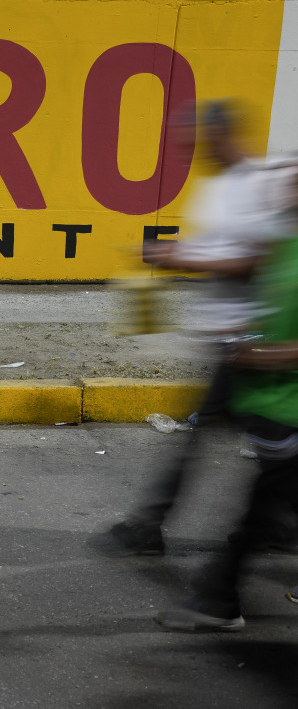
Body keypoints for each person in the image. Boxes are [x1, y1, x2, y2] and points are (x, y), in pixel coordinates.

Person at [98, 100, 298, 556]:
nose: (192, 151)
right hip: (226, 339)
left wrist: (180, 259)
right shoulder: (218, 187)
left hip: (249, 339)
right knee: (261, 440)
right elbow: (217, 245)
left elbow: (258, 262)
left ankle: (151, 528)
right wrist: (176, 251)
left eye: (198, 141)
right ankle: (274, 523)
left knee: (213, 438)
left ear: (221, 135)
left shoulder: (264, 184)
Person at [156, 196, 298, 631]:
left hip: (286, 407)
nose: (287, 193)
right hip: (271, 403)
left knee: (262, 509)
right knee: (269, 505)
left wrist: (263, 355)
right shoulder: (287, 242)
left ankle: (220, 601)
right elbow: (261, 281)